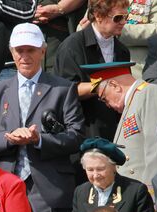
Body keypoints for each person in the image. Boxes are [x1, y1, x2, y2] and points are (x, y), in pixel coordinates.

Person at [0, 23, 84, 212]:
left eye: (31, 50)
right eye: (19, 50)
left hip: (48, 187)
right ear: (11, 51)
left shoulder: (63, 89)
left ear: (43, 51)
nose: (25, 56)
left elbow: (76, 135)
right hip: (4, 184)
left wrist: (39, 140)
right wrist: (10, 137)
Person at [82, 61, 157, 187]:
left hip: (148, 190)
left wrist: (152, 191)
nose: (107, 104)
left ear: (115, 86)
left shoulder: (149, 93)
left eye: (104, 98)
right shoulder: (134, 100)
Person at [63, 137, 156, 212]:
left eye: (100, 169)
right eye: (90, 170)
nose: (95, 175)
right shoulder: (81, 192)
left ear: (114, 167)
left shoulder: (135, 191)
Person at [54, 0, 130, 141]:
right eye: (118, 18)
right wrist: (101, 86)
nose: (123, 22)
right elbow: (65, 90)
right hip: (82, 131)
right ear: (98, 15)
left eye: (126, 17)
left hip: (114, 130)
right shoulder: (72, 46)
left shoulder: (122, 50)